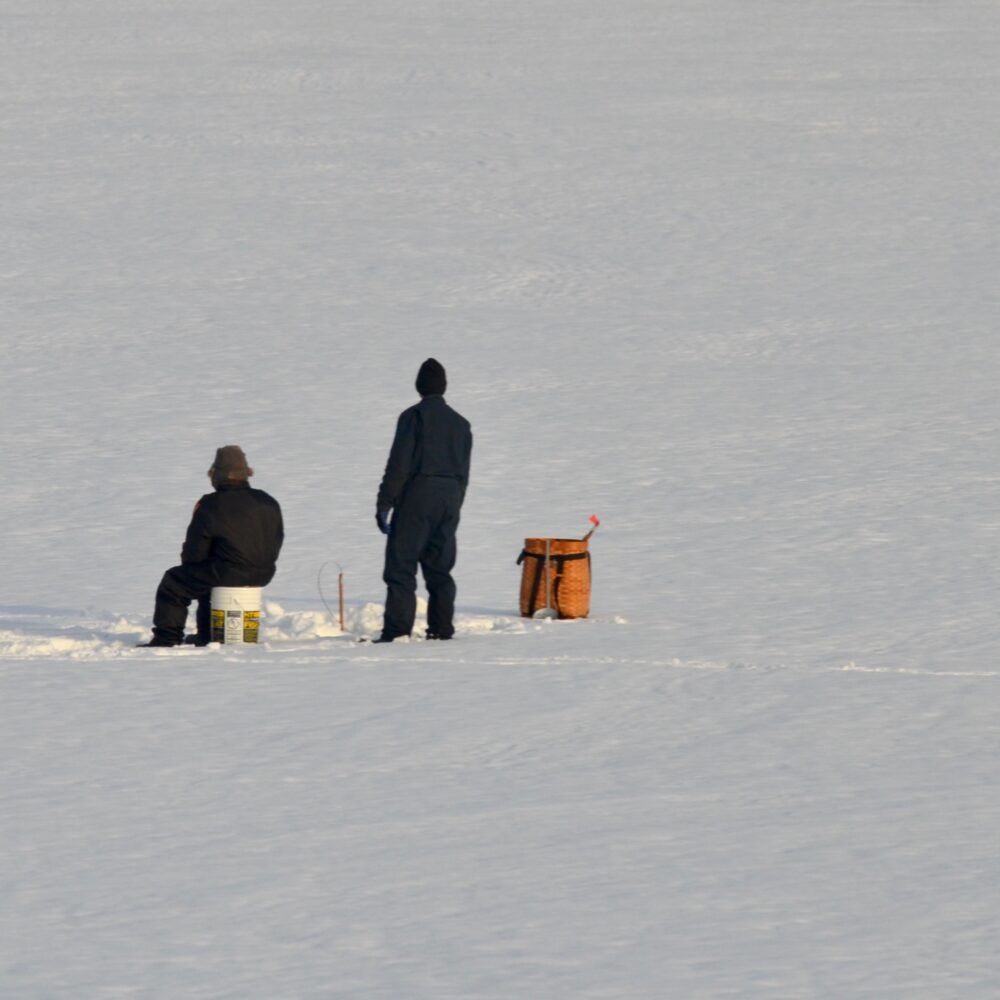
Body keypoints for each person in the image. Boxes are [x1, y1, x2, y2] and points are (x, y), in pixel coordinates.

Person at [138, 446, 284, 647]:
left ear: (216, 475)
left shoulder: (211, 504)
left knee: (174, 582)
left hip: (229, 572)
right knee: (208, 577)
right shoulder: (268, 501)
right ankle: (206, 634)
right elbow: (276, 538)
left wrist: (191, 567)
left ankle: (167, 638)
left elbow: (195, 549)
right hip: (264, 572)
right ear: (246, 474)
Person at [375, 358, 472, 642]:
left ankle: (397, 631)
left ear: (419, 386)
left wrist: (385, 502)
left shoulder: (413, 417)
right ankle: (441, 628)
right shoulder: (461, 424)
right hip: (450, 497)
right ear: (444, 386)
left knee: (401, 565)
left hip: (418, 494)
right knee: (440, 566)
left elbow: (399, 464)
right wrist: (455, 503)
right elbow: (464, 472)